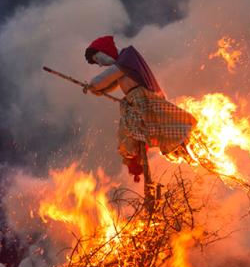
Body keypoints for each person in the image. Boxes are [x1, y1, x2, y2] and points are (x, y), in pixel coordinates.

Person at [82, 35, 196, 181]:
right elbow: (108, 85)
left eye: (98, 59)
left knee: (134, 128)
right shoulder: (122, 64)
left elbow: (105, 79)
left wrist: (92, 85)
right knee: (133, 129)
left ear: (105, 51)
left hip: (143, 100)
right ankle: (137, 159)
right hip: (136, 101)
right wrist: (94, 88)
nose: (99, 64)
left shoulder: (126, 58)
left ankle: (141, 157)